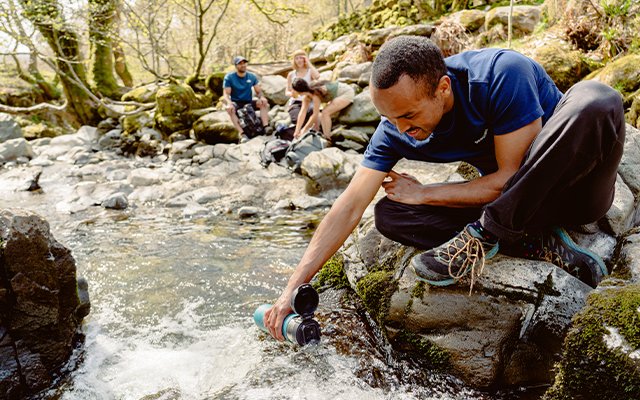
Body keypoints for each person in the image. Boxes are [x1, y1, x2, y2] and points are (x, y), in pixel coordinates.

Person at [264, 36, 625, 340]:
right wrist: (291, 289)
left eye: (409, 116)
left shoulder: (500, 74)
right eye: (389, 118)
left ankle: (485, 236)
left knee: (597, 97)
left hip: (572, 192)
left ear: (442, 88)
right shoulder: (395, 128)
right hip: (517, 215)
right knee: (390, 214)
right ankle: (536, 244)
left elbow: (509, 181)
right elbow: (350, 204)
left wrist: (425, 193)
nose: (401, 129)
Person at [223, 56, 272, 143]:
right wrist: (229, 103)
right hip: (236, 102)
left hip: (248, 101)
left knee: (264, 103)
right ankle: (242, 134)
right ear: (236, 66)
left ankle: (266, 126)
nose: (243, 65)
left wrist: (262, 97)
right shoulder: (229, 77)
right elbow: (226, 94)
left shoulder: (251, 76)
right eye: (240, 63)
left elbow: (258, 91)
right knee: (230, 110)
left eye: (244, 63)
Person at [286, 50, 320, 128]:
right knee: (297, 119)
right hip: (296, 102)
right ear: (294, 61)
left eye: (301, 58)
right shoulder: (291, 74)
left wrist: (308, 63)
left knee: (313, 114)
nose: (299, 60)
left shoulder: (310, 72)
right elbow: (287, 91)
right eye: (296, 58)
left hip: (309, 101)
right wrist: (291, 94)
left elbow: (317, 76)